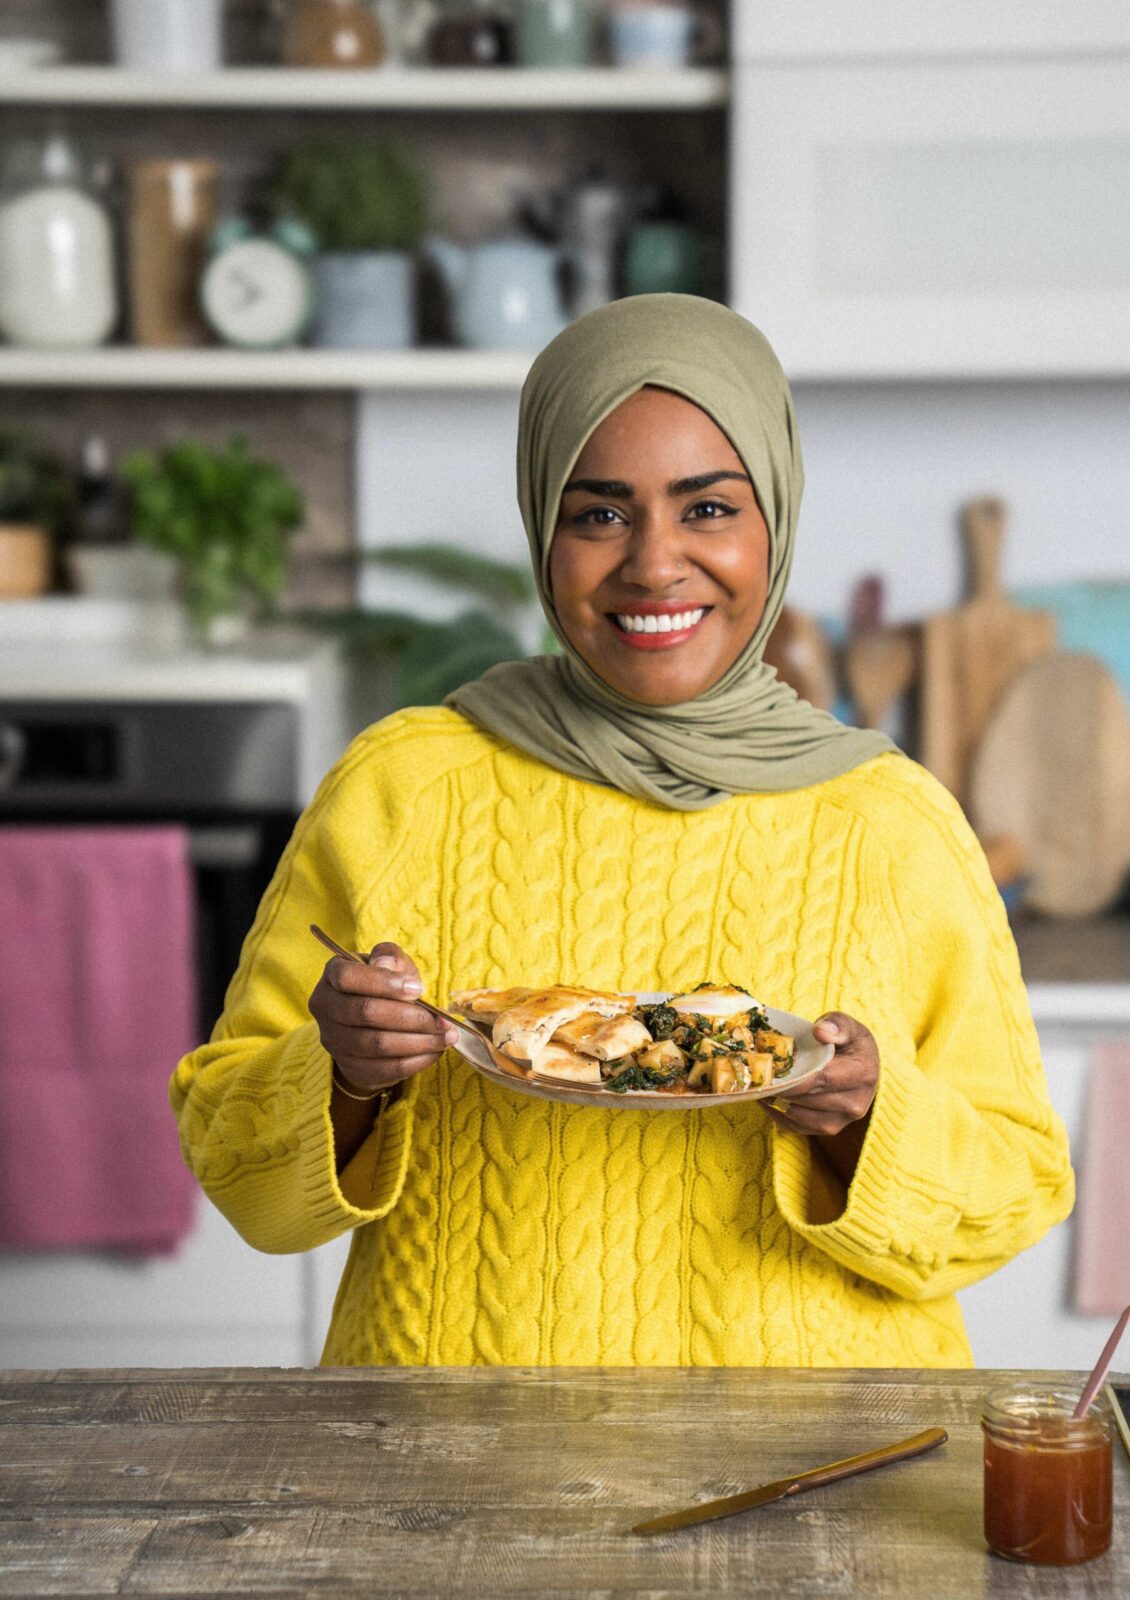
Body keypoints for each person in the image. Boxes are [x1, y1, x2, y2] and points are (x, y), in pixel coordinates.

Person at [169, 294, 1074, 1368]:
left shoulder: (893, 820)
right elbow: (242, 1177)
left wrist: (866, 1115)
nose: (653, 564)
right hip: (443, 1462)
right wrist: (344, 1075)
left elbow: (1015, 1190)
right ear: (541, 528)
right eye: (599, 513)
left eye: (707, 510)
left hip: (819, 1473)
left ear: (774, 520)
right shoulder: (403, 786)